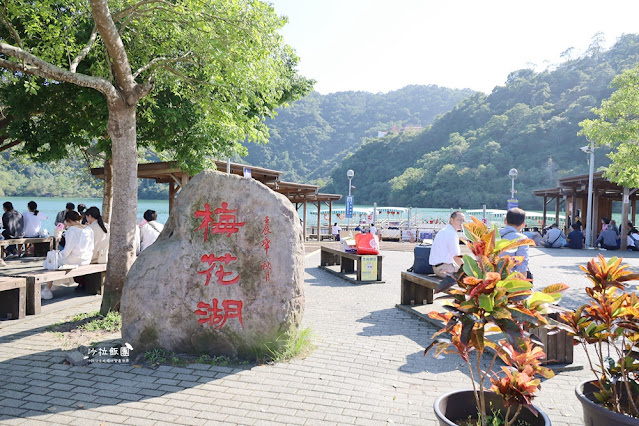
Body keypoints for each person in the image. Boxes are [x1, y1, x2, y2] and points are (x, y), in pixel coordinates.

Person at [41, 210, 94, 300]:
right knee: (56, 261)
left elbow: (66, 252)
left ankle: (47, 290)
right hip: (87, 259)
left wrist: (57, 255)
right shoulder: (89, 229)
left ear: (68, 220)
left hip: (75, 259)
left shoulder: (72, 230)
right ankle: (54, 285)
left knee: (50, 262)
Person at [429, 211, 465, 278]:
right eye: (459, 220)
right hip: (445, 268)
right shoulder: (452, 234)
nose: (462, 223)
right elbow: (456, 257)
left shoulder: (444, 230)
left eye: (463, 220)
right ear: (451, 220)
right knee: (470, 278)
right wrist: (468, 269)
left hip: (437, 268)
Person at [499, 208, 531, 278]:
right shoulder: (522, 239)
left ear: (505, 221)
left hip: (490, 280)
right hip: (508, 280)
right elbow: (522, 263)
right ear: (523, 224)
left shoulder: (494, 235)